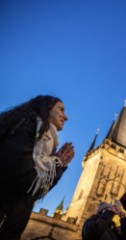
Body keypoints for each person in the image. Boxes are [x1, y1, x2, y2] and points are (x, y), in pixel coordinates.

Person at [0, 95, 75, 240]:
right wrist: (55, 162)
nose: (65, 117)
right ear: (46, 108)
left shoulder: (43, 141)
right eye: (61, 110)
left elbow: (37, 192)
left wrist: (58, 165)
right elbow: (22, 181)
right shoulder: (27, 125)